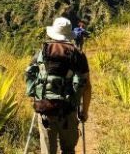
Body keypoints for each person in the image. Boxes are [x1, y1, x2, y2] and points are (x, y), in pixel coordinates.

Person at [25, 17, 92, 154]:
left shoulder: (41, 52)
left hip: (45, 108)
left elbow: (31, 75)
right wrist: (84, 112)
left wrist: (35, 97)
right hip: (68, 110)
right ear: (69, 34)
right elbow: (86, 86)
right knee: (68, 149)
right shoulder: (78, 55)